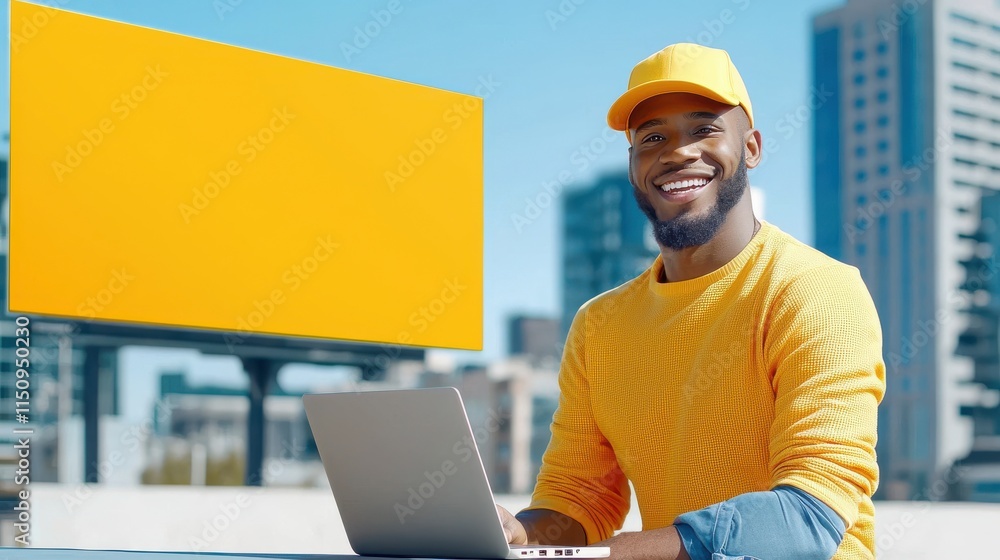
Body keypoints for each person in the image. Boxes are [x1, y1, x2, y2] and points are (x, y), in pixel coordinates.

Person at [496, 43, 885, 560]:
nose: (677, 152)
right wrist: (520, 534)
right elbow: (580, 496)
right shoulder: (599, 324)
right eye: (652, 138)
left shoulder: (814, 291)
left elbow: (811, 517)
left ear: (751, 148)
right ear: (634, 166)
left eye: (704, 130)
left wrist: (630, 551)